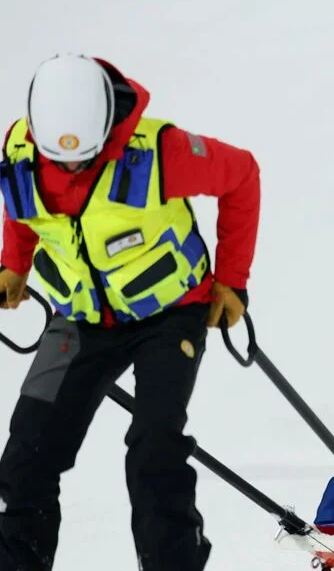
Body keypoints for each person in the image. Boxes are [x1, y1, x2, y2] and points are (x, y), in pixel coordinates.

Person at [0, 53, 261, 570]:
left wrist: (231, 280)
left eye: (85, 156)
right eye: (60, 159)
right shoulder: (21, 148)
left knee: (154, 450)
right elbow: (24, 205)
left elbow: (242, 176)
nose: (72, 168)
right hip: (79, 321)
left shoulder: (158, 151)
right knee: (25, 459)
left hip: (169, 316)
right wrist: (14, 264)